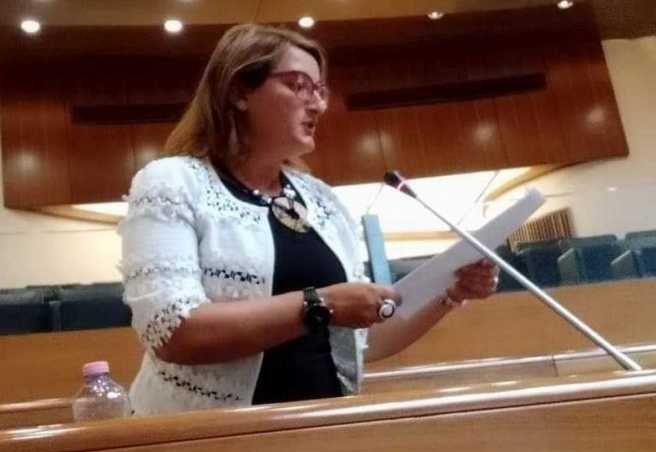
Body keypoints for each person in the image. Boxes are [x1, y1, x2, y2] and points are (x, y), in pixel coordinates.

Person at [119, 24, 499, 416]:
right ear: (238, 92)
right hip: (213, 435)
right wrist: (322, 304)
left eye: (320, 90)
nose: (317, 104)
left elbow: (363, 340)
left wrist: (449, 293)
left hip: (319, 427)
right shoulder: (172, 183)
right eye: (299, 85)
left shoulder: (320, 199)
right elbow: (173, 331)